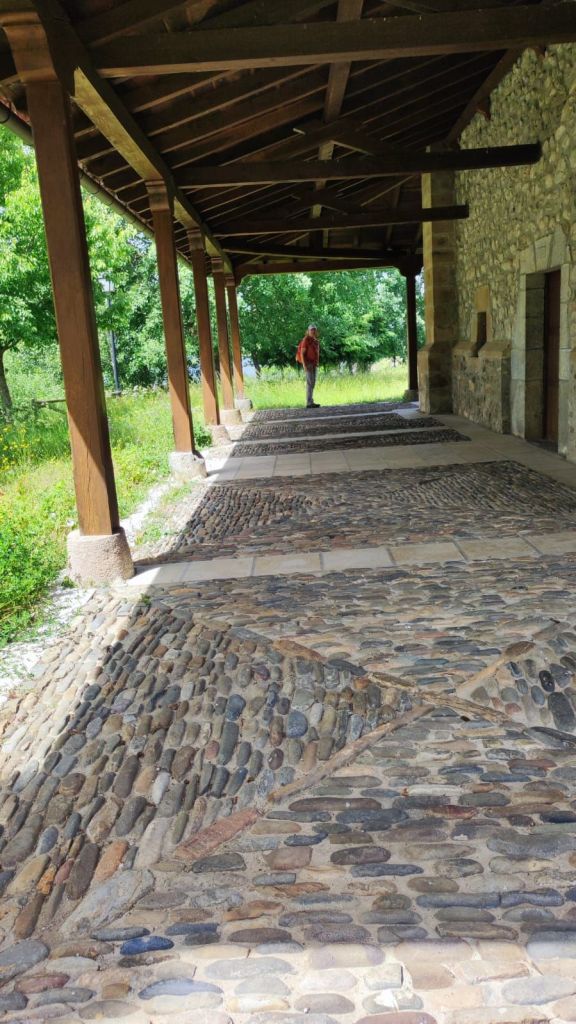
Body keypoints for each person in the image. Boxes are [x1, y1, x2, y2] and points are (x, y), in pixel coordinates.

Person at [298, 324, 320, 408]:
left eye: (314, 330)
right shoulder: (306, 340)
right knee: (310, 382)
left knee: (313, 382)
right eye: (311, 330)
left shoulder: (315, 341)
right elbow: (302, 353)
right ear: (308, 331)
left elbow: (316, 353)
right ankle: (309, 402)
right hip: (308, 364)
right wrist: (304, 365)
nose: (313, 331)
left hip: (314, 364)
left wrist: (317, 363)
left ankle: (311, 401)